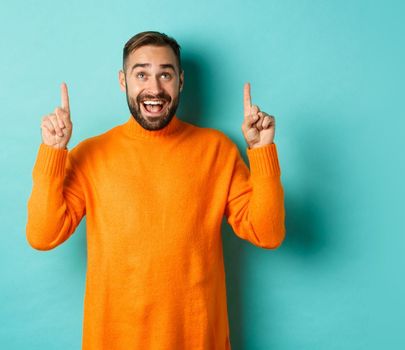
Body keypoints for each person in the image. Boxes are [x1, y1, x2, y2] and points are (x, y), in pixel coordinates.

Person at [26, 31, 285, 349]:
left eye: (165, 74)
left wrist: (261, 152)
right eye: (142, 74)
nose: (154, 88)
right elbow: (42, 234)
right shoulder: (91, 155)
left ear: (181, 80)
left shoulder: (217, 150)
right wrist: (53, 151)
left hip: (198, 340)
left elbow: (268, 233)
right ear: (123, 81)